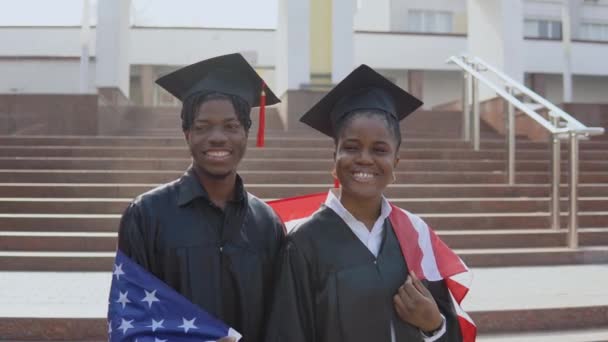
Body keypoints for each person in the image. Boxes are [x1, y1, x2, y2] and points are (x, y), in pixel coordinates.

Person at [266, 65, 465, 342]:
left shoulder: (414, 236)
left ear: (395, 163)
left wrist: (433, 324)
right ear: (333, 159)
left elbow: (450, 333)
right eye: (351, 147)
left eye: (379, 150)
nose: (364, 158)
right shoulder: (304, 243)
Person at [117, 53, 285, 342]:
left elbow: (281, 318)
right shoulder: (147, 215)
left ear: (247, 132)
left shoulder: (266, 223)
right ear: (186, 134)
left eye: (231, 126)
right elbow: (133, 317)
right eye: (203, 127)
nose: (218, 137)